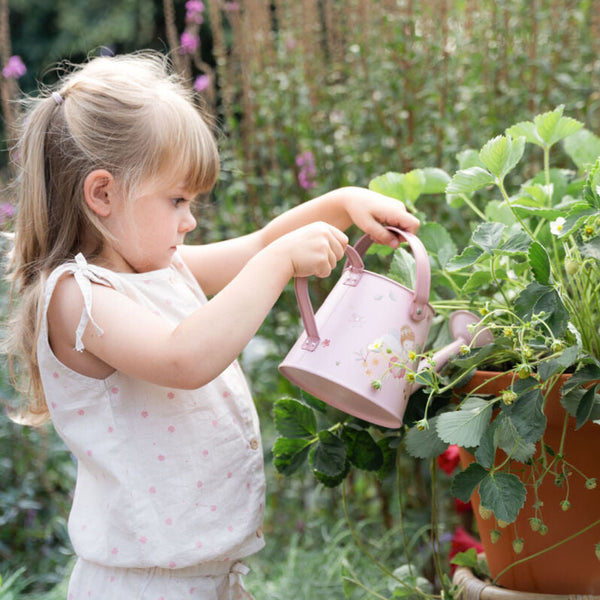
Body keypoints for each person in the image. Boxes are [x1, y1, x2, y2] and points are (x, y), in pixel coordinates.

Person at [3, 51, 419, 599]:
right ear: (102, 194)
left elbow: (258, 244)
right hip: (142, 587)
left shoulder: (161, 267)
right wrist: (278, 265)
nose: (190, 219)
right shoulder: (77, 298)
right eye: (177, 199)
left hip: (205, 581)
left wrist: (343, 203)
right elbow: (185, 358)